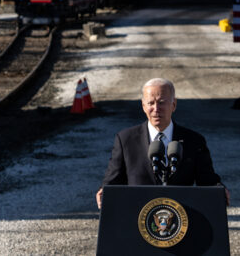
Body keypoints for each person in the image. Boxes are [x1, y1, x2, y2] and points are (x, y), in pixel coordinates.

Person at [95, 78, 230, 209]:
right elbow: (113, 181)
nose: (156, 108)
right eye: (150, 103)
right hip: (137, 217)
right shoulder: (125, 140)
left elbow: (207, 180)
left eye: (161, 102)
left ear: (174, 105)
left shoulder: (194, 141)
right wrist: (104, 190)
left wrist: (219, 190)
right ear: (143, 106)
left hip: (180, 219)